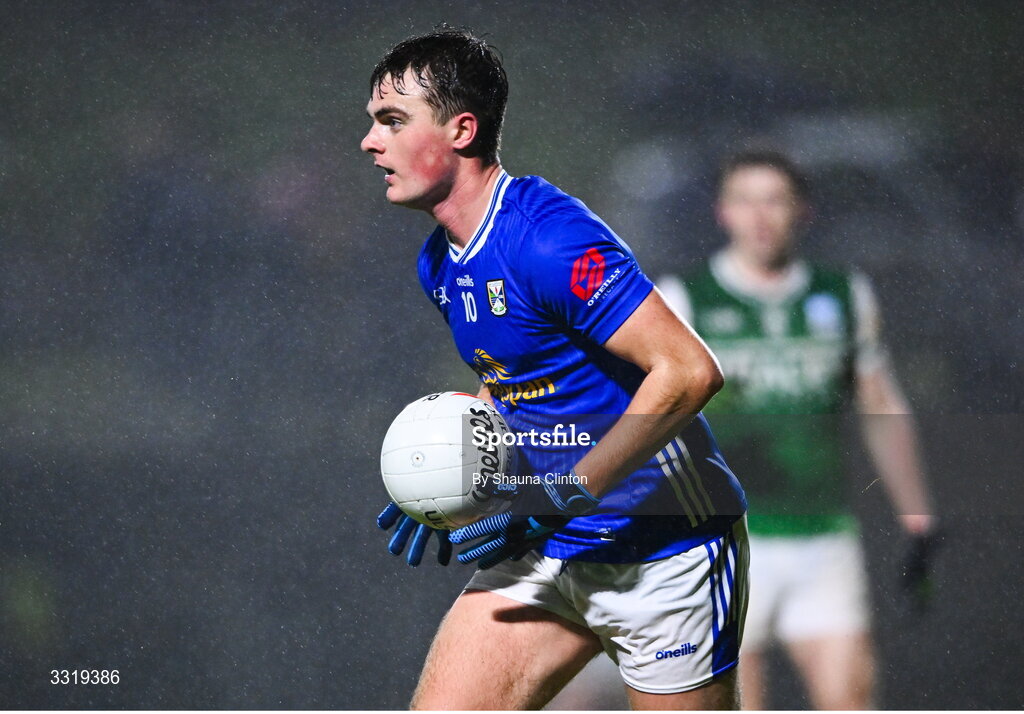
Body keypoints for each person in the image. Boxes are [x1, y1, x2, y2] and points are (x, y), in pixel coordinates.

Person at [362, 28, 749, 710]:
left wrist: (562, 494)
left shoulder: (548, 238)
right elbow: (511, 379)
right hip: (545, 547)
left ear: (461, 129)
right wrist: (447, 474)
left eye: (392, 121)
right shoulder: (439, 262)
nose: (371, 142)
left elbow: (689, 372)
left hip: (665, 551)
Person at [657, 150, 937, 710]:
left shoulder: (841, 294)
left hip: (823, 537)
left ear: (801, 211)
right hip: (725, 546)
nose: (759, 217)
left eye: (774, 201)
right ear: (722, 212)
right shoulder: (685, 300)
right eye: (744, 201)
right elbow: (647, 420)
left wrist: (918, 515)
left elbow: (880, 406)